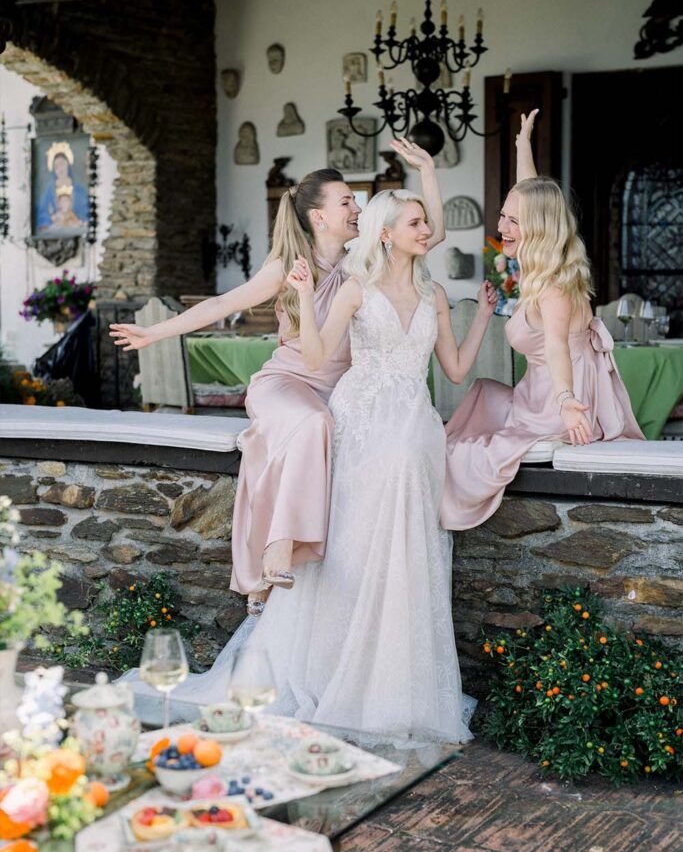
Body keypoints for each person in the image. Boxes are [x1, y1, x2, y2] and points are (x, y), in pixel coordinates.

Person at [110, 141, 446, 617]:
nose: (356, 207)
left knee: (345, 433)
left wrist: (428, 171)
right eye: (347, 201)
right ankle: (277, 547)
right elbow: (221, 305)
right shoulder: (287, 269)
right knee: (313, 424)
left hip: (342, 389)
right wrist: (154, 332)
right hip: (288, 383)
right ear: (319, 217)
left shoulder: (362, 266)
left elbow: (432, 235)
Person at [233, 188, 497, 742]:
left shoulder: (436, 294)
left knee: (405, 551)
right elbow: (313, 356)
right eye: (416, 222)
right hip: (361, 424)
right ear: (387, 233)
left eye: (426, 222)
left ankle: (394, 685)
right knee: (351, 549)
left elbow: (453, 371)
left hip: (412, 424)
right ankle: (330, 673)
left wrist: (484, 318)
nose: (427, 231)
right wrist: (305, 294)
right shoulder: (356, 288)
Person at [440, 111, 644, 531]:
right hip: (535, 394)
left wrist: (568, 401)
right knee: (480, 397)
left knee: (468, 444)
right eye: (503, 216)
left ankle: (437, 504)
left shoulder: (551, 285)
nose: (502, 227)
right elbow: (533, 196)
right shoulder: (542, 262)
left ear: (538, 228)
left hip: (554, 404)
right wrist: (521, 145)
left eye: (513, 221)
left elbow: (554, 345)